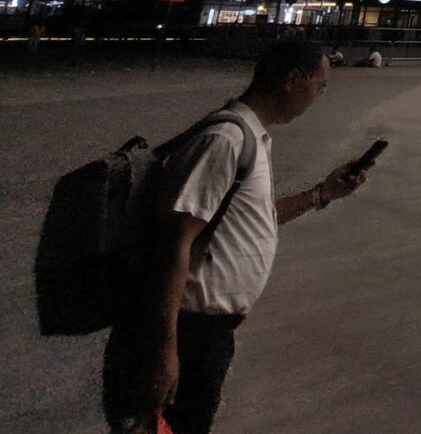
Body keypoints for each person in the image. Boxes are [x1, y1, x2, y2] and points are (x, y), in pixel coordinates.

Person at [102, 39, 369, 434]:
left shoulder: (253, 139)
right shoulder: (227, 140)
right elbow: (173, 244)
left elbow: (254, 220)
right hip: (188, 330)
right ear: (293, 81)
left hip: (209, 335)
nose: (319, 96)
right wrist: (165, 351)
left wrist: (321, 194)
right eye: (320, 85)